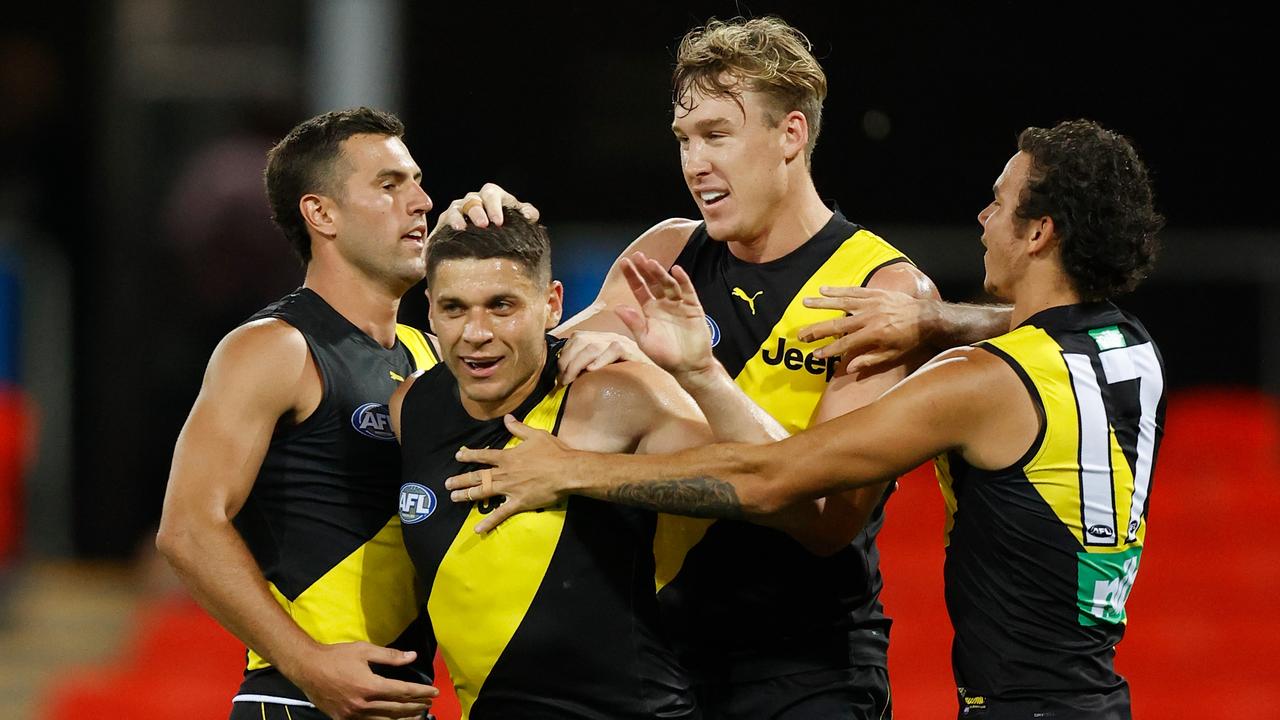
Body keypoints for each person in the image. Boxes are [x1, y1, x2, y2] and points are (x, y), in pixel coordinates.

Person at [451, 119, 1166, 720]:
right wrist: (935, 317)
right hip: (1094, 694)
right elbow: (1037, 330)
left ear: (1039, 232)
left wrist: (575, 470)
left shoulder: (978, 382)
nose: (982, 218)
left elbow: (777, 480)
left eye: (998, 203)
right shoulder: (1133, 348)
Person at [434, 17, 939, 718]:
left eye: (716, 135)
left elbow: (828, 521)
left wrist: (701, 374)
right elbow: (516, 367)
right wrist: (486, 246)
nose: (695, 162)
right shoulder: (668, 250)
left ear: (791, 135)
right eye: (684, 139)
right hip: (656, 661)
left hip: (806, 670)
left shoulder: (880, 291)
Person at [155, 107, 542, 720]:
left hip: (402, 702)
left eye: (417, 182)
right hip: (298, 699)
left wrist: (503, 246)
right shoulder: (274, 347)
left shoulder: (429, 355)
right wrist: (306, 663)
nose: (421, 201)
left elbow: (539, 373)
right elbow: (187, 529)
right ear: (322, 214)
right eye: (390, 185)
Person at [390, 212, 796, 718]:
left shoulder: (615, 392)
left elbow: (768, 486)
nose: (476, 333)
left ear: (551, 305)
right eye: (454, 308)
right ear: (429, 311)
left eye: (502, 306)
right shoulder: (411, 407)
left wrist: (581, 468)